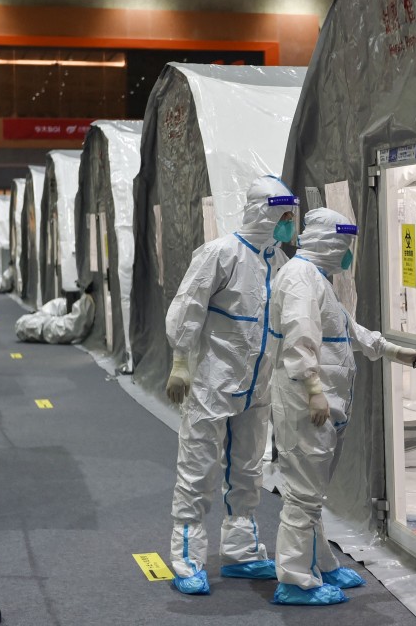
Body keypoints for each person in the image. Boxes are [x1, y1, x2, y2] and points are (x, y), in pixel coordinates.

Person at [268, 208, 416, 606]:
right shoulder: (302, 280)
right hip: (308, 403)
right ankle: (295, 579)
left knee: (312, 492)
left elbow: (345, 329)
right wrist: (314, 387)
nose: (347, 255)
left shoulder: (316, 279)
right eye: (344, 246)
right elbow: (300, 338)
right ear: (329, 243)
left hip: (321, 404)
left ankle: (320, 561)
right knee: (303, 495)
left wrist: (396, 351)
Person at [164, 176, 299, 595]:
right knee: (198, 471)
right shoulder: (221, 254)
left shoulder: (277, 261)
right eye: (284, 216)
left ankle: (241, 552)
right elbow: (187, 308)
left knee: (247, 470)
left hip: (256, 390)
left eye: (291, 217)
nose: (288, 224)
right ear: (264, 212)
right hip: (212, 384)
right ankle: (187, 557)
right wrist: (182, 362)